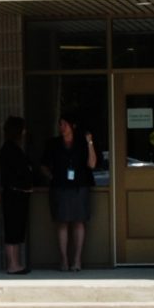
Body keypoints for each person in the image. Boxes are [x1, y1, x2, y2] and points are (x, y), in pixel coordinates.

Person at [41, 116, 100, 272]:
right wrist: (52, 177)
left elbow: (92, 164)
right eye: (60, 124)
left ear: (72, 125)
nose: (62, 127)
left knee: (79, 222)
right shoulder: (53, 143)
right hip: (60, 187)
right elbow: (44, 166)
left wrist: (90, 142)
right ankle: (64, 260)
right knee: (62, 222)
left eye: (65, 124)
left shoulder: (82, 143)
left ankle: (77, 260)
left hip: (80, 186)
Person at [0, 116, 41, 274]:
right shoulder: (8, 149)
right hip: (13, 195)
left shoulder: (14, 147)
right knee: (12, 229)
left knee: (17, 229)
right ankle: (12, 264)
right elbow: (14, 173)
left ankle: (16, 263)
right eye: (22, 129)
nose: (25, 132)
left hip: (19, 194)